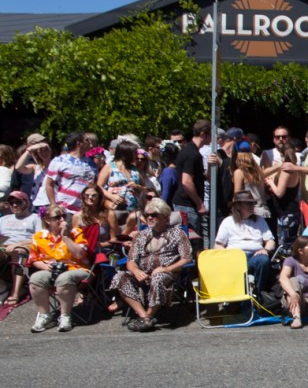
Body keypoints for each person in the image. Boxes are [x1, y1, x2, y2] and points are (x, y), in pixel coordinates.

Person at [111, 198, 192, 332]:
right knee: (120, 277)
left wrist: (166, 268)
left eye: (154, 215)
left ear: (165, 217)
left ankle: (149, 315)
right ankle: (144, 317)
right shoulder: (141, 235)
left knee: (158, 277)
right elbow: (131, 261)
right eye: (146, 215)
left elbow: (187, 258)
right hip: (143, 274)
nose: (149, 218)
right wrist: (136, 271)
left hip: (167, 274)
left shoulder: (177, 233)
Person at [27, 205, 91, 333]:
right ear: (47, 220)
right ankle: (44, 315)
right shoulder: (39, 236)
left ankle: (65, 316)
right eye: (57, 217)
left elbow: (80, 255)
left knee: (64, 278)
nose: (62, 220)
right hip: (51, 269)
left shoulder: (76, 232)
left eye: (64, 216)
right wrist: (44, 266)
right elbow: (33, 259)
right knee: (36, 278)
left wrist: (65, 237)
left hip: (76, 268)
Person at [214, 190, 275, 295]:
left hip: (255, 255)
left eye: (252, 203)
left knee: (263, 260)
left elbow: (270, 241)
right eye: (248, 203)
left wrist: (265, 249)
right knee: (235, 265)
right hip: (235, 257)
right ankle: (241, 294)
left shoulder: (260, 220)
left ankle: (258, 292)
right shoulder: (228, 221)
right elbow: (218, 245)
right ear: (238, 205)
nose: (251, 206)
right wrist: (229, 255)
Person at [172, 119, 211, 249]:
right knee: (190, 243)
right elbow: (186, 181)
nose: (212, 138)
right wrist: (199, 203)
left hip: (187, 204)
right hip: (187, 205)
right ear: (203, 134)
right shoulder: (192, 154)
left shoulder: (190, 150)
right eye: (210, 134)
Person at [0, 191, 42, 306]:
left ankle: (15, 293)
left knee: (18, 252)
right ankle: (2, 285)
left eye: (18, 202)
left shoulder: (35, 218)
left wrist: (17, 244)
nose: (14, 205)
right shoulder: (4, 219)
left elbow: (40, 239)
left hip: (25, 245)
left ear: (26, 202)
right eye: (11, 202)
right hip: (4, 246)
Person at [45, 131, 96, 216]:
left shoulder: (91, 163)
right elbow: (49, 184)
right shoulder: (59, 161)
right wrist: (53, 205)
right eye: (87, 140)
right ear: (79, 143)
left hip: (86, 210)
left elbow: (94, 184)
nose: (90, 143)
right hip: (65, 210)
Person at [232, 141, 269, 220]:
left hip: (250, 213)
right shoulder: (258, 171)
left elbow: (237, 195)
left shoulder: (239, 172)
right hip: (264, 211)